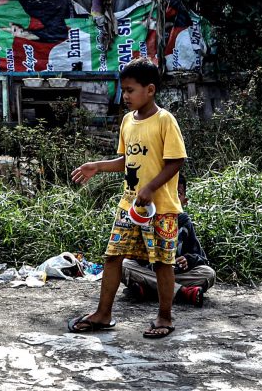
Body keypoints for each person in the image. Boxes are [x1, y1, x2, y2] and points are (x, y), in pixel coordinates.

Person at [69, 59, 188, 339]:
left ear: (150, 90)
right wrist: (97, 166)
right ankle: (103, 314)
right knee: (113, 257)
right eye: (123, 90)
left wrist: (150, 188)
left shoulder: (165, 120)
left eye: (130, 90)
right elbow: (127, 160)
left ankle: (165, 317)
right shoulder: (127, 121)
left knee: (162, 263)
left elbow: (176, 161)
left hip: (161, 209)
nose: (125, 96)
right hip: (129, 206)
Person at [123, 173, 215, 306]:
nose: (172, 198)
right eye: (168, 193)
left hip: (175, 275)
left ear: (184, 200)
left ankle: (149, 289)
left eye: (178, 194)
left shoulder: (184, 222)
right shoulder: (147, 218)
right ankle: (182, 292)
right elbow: (132, 255)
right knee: (124, 265)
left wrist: (188, 260)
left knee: (208, 274)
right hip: (151, 271)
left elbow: (202, 258)